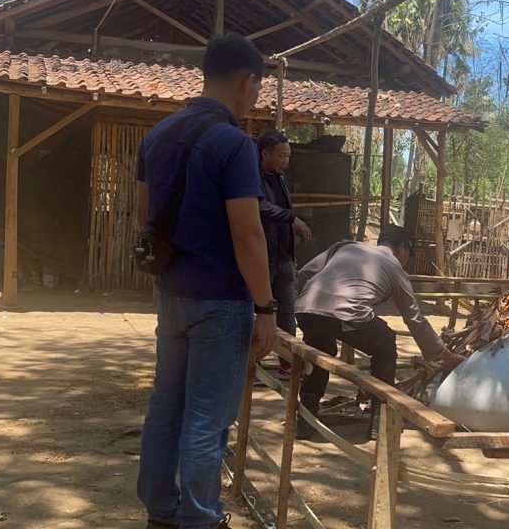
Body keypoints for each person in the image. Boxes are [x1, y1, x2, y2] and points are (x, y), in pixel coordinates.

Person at [135, 33, 278, 529]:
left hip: (171, 293)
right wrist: (266, 308)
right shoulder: (235, 144)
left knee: (166, 406)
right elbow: (248, 235)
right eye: (257, 87)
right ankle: (199, 518)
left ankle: (160, 509)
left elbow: (144, 217)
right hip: (220, 300)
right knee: (207, 420)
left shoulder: (156, 135)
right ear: (246, 82)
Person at [293, 225, 464, 441]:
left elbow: (305, 272)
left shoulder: (345, 247)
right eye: (407, 256)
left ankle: (305, 422)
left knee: (319, 355)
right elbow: (414, 319)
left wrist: (310, 301)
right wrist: (443, 355)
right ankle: (379, 420)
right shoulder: (395, 269)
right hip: (348, 313)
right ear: (401, 249)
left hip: (305, 308)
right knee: (385, 344)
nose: (406, 261)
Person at [255, 129, 312, 378]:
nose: (284, 161)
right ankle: (251, 365)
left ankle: (287, 363)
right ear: (265, 154)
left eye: (287, 156)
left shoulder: (280, 178)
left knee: (287, 312)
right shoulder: (251, 177)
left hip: (283, 256)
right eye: (280, 156)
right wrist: (291, 218)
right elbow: (259, 206)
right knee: (257, 310)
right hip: (261, 256)